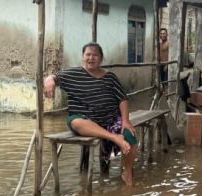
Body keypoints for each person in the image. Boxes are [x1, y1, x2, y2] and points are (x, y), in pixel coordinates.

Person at [43, 42, 139, 186]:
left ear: (101, 59)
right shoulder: (73, 74)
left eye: (95, 55)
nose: (91, 58)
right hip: (85, 121)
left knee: (131, 135)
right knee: (76, 122)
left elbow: (122, 99)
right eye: (88, 54)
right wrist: (49, 80)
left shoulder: (110, 77)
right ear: (83, 57)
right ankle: (115, 138)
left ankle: (127, 172)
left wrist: (125, 120)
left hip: (110, 121)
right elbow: (54, 77)